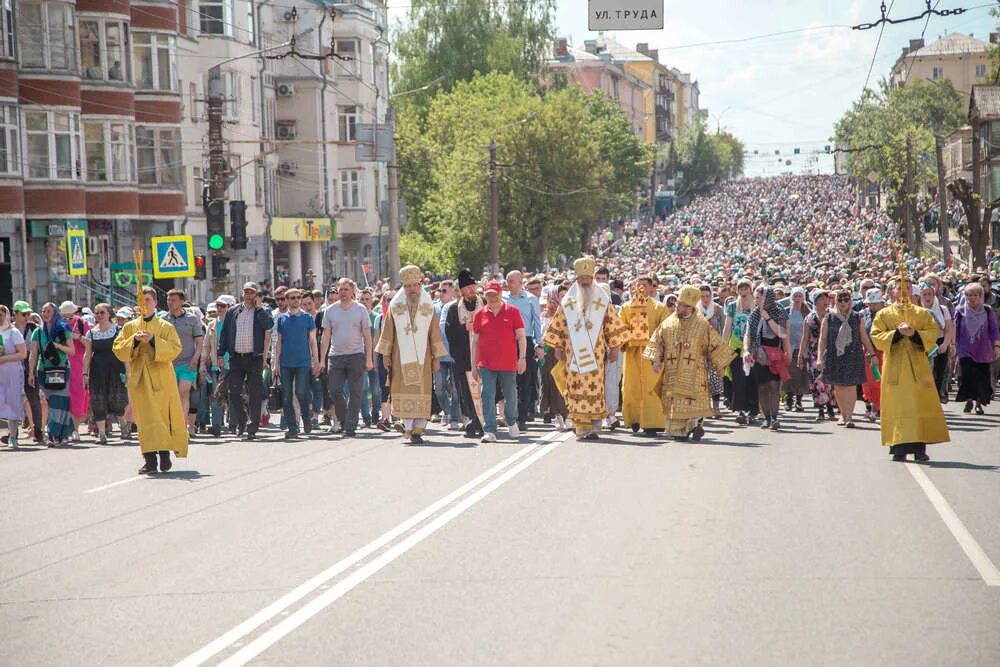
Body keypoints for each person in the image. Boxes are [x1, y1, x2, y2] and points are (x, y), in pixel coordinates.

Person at [541, 256, 629, 441]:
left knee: (596, 388)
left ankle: (593, 424)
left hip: (596, 354)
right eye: (582, 279)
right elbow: (560, 324)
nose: (585, 281)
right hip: (573, 355)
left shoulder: (602, 299)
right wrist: (557, 346)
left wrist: (614, 347)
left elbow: (611, 323)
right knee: (576, 387)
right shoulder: (569, 300)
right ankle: (581, 427)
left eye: (588, 278)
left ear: (592, 277)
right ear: (577, 278)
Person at [870, 279, 949, 461]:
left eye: (907, 289)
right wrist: (897, 333)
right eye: (899, 289)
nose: (903, 293)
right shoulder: (884, 314)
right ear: (892, 292)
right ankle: (898, 447)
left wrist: (914, 334)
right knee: (897, 406)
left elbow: (932, 333)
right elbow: (876, 336)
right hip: (895, 367)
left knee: (918, 405)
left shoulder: (922, 313)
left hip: (917, 367)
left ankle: (919, 448)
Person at [113, 286, 189, 474]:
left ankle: (164, 456)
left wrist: (154, 340)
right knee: (144, 418)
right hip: (140, 378)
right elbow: (119, 349)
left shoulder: (165, 326)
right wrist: (135, 341)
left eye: (147, 299)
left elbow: (175, 348)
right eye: (141, 300)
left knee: (161, 416)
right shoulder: (130, 327)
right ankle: (149, 460)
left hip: (161, 378)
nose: (144, 303)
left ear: (155, 302)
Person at [644, 286, 735, 441]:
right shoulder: (668, 323)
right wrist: (655, 360)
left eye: (680, 304)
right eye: (677, 303)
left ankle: (692, 425)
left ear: (689, 307)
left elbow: (715, 344)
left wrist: (720, 365)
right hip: (673, 373)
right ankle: (685, 429)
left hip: (696, 373)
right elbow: (657, 341)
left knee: (692, 402)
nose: (676, 307)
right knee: (676, 402)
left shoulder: (702, 324)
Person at [375, 265, 447, 444]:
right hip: (400, 358)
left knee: (422, 390)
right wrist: (385, 355)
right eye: (408, 286)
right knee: (403, 388)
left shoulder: (428, 305)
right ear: (403, 287)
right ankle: (406, 425)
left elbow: (434, 332)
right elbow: (388, 331)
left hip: (424, 358)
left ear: (420, 284)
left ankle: (418, 428)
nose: (412, 289)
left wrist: (437, 357)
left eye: (414, 285)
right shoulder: (395, 305)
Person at [471, 280, 526, 442]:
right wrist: (473, 365)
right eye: (489, 295)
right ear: (485, 295)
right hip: (486, 363)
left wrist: (522, 358)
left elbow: (521, 337)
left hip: (508, 362)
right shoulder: (480, 314)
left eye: (495, 294)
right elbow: (475, 342)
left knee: (511, 394)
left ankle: (511, 421)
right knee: (487, 394)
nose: (492, 298)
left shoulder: (512, 311)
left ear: (501, 293)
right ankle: (489, 429)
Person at [218, 282, 273, 441]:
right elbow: (225, 333)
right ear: (242, 293)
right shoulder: (234, 311)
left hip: (254, 358)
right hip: (236, 358)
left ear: (256, 295)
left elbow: (268, 324)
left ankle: (252, 427)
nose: (248, 295)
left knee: (255, 393)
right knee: (233, 393)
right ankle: (242, 419)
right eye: (246, 292)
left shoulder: (262, 311)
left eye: (252, 292)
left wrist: (259, 308)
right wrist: (221, 354)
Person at [320, 278, 374, 437]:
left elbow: (367, 337)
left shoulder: (360, 309)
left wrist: (369, 358)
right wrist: (322, 359)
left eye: (345, 290)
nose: (342, 293)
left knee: (355, 392)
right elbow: (326, 336)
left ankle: (350, 426)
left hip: (356, 355)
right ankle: (344, 418)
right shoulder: (330, 311)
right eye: (340, 290)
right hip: (336, 356)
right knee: (334, 390)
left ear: (352, 292)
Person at [818, 289, 874, 428]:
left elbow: (864, 337)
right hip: (834, 355)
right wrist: (820, 357)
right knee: (839, 386)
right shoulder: (829, 317)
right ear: (836, 301)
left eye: (846, 300)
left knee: (851, 386)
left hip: (854, 354)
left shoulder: (856, 317)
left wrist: (871, 353)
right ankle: (843, 415)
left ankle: (849, 416)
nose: (843, 303)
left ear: (850, 302)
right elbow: (823, 339)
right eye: (840, 300)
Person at [618, 276, 667, 435]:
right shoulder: (626, 307)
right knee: (631, 387)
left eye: (644, 285)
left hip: (652, 353)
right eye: (637, 285)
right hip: (632, 353)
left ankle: (653, 422)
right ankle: (634, 419)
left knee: (651, 386)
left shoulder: (659, 307)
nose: (640, 288)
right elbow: (620, 328)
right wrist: (626, 338)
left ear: (651, 287)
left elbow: (664, 330)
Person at [743, 285, 792, 430]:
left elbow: (783, 334)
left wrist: (768, 318)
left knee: (774, 386)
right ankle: (767, 418)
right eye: (756, 297)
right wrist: (746, 350)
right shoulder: (754, 314)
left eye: (760, 297)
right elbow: (748, 334)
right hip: (758, 354)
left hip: (775, 353)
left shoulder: (779, 312)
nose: (757, 300)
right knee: (762, 387)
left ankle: (775, 418)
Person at [442, 269, 484, 438]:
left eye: (473, 286)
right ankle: (472, 422)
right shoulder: (453, 309)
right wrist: (464, 328)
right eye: (468, 287)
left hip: (483, 357)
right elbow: (449, 332)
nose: (472, 290)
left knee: (483, 392)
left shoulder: (485, 304)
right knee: (466, 393)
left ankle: (484, 423)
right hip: (463, 358)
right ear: (461, 290)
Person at [28, 303, 76, 446]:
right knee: (47, 402)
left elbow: (72, 351)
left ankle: (53, 434)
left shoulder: (63, 329)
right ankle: (57, 434)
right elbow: (33, 354)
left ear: (54, 312)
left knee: (58, 402)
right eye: (43, 311)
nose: (45, 313)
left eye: (48, 311)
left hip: (61, 370)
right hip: (43, 371)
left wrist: (57, 346)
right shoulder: (38, 331)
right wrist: (30, 373)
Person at [274, 288, 320, 438]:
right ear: (287, 300)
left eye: (297, 297)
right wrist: (276, 363)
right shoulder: (281, 319)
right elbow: (279, 342)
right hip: (286, 362)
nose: (295, 300)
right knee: (286, 396)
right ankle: (292, 427)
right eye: (292, 298)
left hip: (303, 362)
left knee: (301, 392)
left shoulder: (307, 318)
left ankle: (306, 418)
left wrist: (316, 361)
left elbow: (313, 342)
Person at [81, 303, 127, 445]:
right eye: (97, 313)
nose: (99, 315)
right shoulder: (91, 333)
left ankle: (123, 423)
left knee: (117, 401)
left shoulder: (118, 331)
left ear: (109, 314)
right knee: (98, 400)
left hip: (115, 369)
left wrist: (128, 371)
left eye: (102, 312)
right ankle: (101, 434)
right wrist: (85, 374)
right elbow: (87, 355)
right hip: (97, 371)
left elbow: (124, 353)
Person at [504, 270, 543, 430]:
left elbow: (536, 323)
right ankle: (510, 415)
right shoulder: (503, 299)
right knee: (508, 379)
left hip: (525, 341)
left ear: (520, 283)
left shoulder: (531, 299)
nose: (508, 283)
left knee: (525, 380)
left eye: (511, 280)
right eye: (507, 280)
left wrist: (539, 344)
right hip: (507, 342)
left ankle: (522, 417)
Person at [954, 282, 1000, 414]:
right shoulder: (960, 311)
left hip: (982, 349)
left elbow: (994, 329)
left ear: (980, 296)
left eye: (974, 295)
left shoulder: (987, 310)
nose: (971, 298)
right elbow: (955, 330)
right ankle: (969, 400)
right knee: (968, 376)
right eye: (968, 295)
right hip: (965, 349)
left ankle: (979, 403)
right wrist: (953, 346)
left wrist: (997, 346)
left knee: (981, 378)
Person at [164, 289, 204, 437]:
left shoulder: (192, 319)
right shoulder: (163, 319)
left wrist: (196, 358)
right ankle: (172, 425)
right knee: (171, 395)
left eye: (173, 299)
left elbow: (200, 342)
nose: (170, 302)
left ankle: (182, 426)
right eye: (168, 299)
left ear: (181, 301)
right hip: (168, 364)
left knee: (183, 393)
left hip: (187, 363)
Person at [722, 278, 758, 425]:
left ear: (751, 289)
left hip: (752, 346)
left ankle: (753, 409)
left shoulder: (757, 306)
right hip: (736, 346)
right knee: (739, 379)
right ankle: (741, 410)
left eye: (746, 288)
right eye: (741, 289)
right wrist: (723, 347)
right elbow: (727, 327)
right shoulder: (732, 306)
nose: (743, 292)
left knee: (753, 378)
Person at [799, 289, 836, 422]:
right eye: (821, 299)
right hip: (813, 353)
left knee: (830, 382)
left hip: (830, 352)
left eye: (826, 298)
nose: (825, 301)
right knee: (817, 381)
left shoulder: (832, 315)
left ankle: (831, 409)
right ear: (815, 301)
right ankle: (820, 409)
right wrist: (800, 356)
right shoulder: (809, 318)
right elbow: (805, 338)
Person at [13, 301, 43, 444]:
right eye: (23, 314)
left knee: (34, 400)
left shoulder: (34, 328)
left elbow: (38, 350)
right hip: (13, 368)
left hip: (31, 367)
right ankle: (14, 432)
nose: (26, 317)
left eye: (28, 314)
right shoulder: (9, 330)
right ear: (15, 314)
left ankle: (38, 431)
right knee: (13, 401)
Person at [60, 300, 90, 441]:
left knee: (77, 397)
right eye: (64, 317)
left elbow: (90, 344)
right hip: (61, 365)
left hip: (78, 365)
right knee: (62, 396)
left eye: (70, 317)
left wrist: (79, 337)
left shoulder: (82, 324)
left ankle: (75, 429)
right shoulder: (59, 325)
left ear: (75, 314)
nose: (67, 320)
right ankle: (63, 429)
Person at [0, 305, 27, 448]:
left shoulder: (14, 332)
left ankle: (13, 436)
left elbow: (23, 354)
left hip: (12, 373)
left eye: (2, 314)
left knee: (12, 403)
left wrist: (5, 358)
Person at [782, 287, 810, 412]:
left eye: (800, 296)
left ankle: (799, 400)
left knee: (801, 374)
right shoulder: (786, 312)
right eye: (795, 296)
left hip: (803, 347)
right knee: (789, 373)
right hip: (789, 346)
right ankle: (789, 399)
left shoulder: (807, 311)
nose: (797, 298)